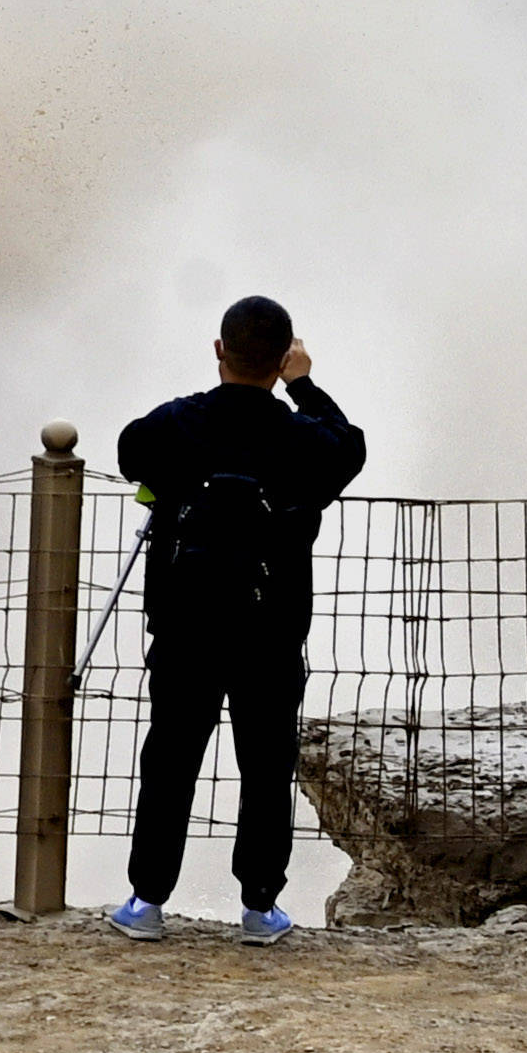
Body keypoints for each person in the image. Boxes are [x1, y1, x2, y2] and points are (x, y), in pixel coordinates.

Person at [110, 296, 367, 948]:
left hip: (183, 624)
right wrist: (302, 383)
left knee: (169, 758)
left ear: (218, 350)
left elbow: (128, 450)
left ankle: (144, 902)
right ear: (280, 360)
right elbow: (349, 447)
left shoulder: (176, 425)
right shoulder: (305, 440)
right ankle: (258, 908)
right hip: (270, 631)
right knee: (264, 765)